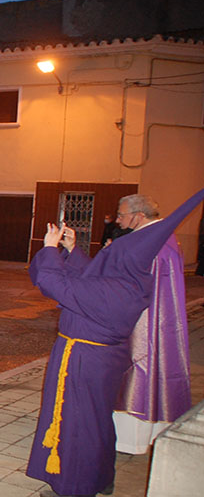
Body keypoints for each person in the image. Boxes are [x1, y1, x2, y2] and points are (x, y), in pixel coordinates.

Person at [25, 188, 204, 497]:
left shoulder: (116, 292)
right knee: (96, 419)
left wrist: (51, 250)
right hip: (96, 357)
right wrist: (72, 249)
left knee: (79, 423)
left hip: (84, 359)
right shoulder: (128, 282)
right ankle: (100, 477)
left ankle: (76, 487)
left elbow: (55, 283)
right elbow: (93, 277)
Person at [112, 194, 191, 455]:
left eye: (122, 215)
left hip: (144, 321)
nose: (117, 219)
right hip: (155, 316)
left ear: (140, 215)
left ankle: (129, 439)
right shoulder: (159, 236)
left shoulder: (153, 242)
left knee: (139, 368)